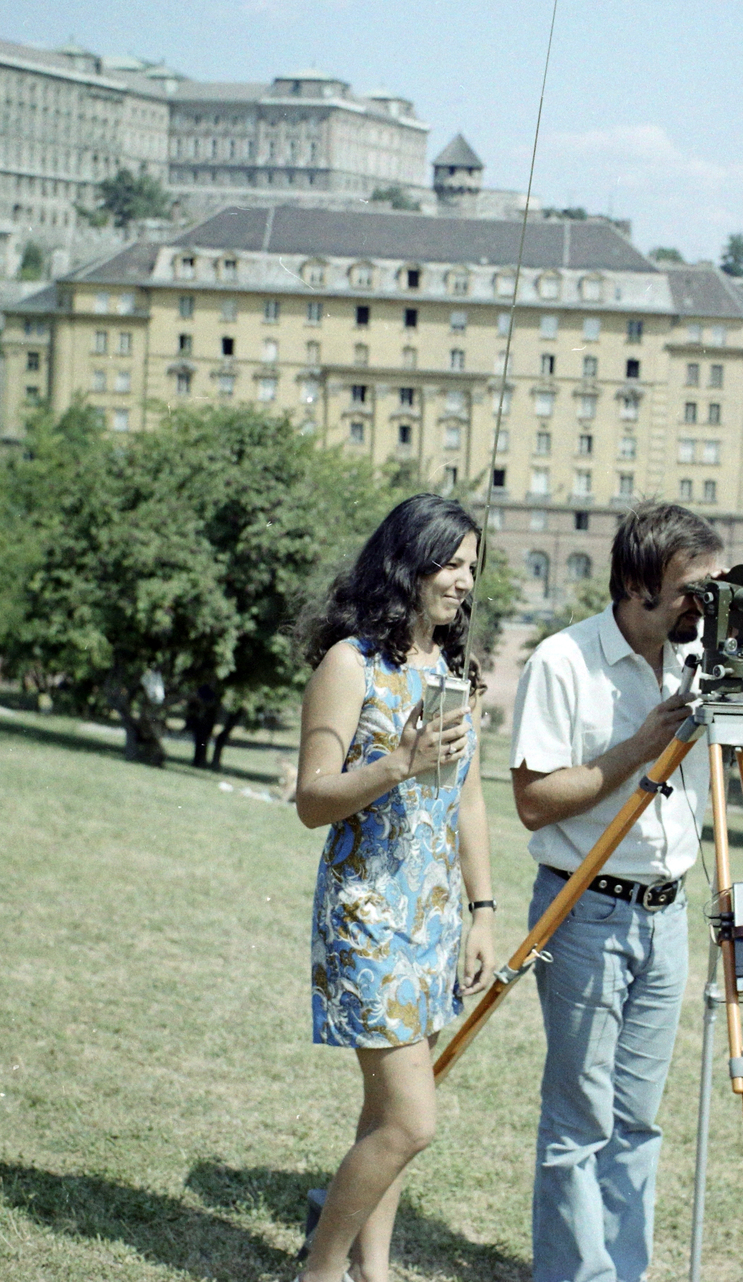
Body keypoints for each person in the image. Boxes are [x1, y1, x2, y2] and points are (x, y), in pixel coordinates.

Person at [511, 501, 743, 1282]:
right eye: (692, 589)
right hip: (583, 904)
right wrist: (639, 747)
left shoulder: (698, 654)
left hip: (667, 912)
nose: (701, 604)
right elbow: (534, 802)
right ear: (637, 584)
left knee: (638, 1122)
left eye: (714, 587)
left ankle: (625, 1272)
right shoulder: (564, 661)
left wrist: (741, 636)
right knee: (580, 1121)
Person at [293, 493, 497, 1282]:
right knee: (412, 1122)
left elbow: (468, 800)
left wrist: (482, 912)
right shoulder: (349, 665)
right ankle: (319, 1272)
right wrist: (396, 762)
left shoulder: (452, 671)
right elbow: (313, 800)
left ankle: (373, 1272)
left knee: (384, 1112)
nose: (462, 581)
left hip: (435, 916)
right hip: (368, 917)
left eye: (471, 567)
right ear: (406, 564)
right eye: (450, 563)